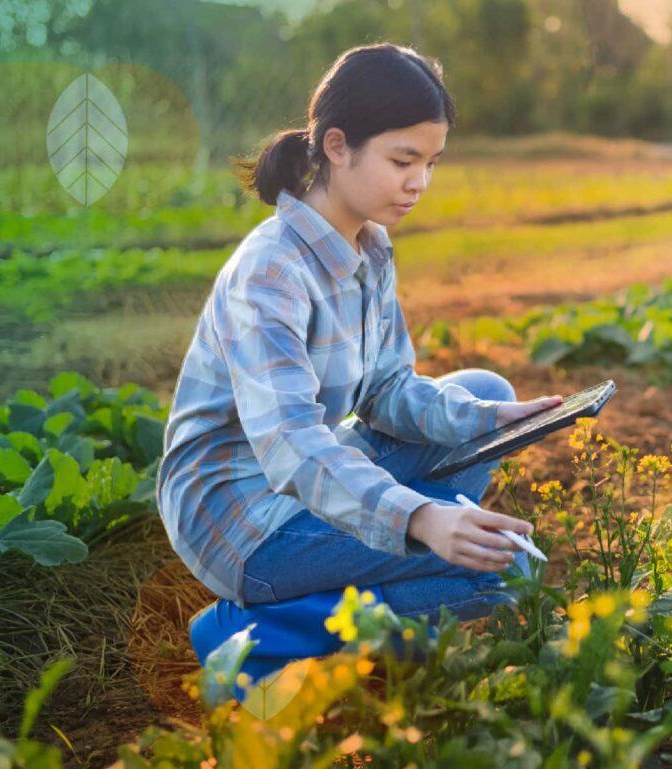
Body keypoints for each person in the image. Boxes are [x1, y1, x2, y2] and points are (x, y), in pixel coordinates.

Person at [156, 42, 563, 625]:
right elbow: (292, 446)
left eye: (431, 163)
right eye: (403, 161)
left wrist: (484, 421)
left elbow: (386, 392)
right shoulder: (271, 275)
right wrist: (421, 518)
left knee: (487, 393)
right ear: (337, 146)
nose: (419, 182)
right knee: (508, 577)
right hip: (241, 522)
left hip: (304, 487)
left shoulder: (370, 246)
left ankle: (372, 575)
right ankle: (258, 629)